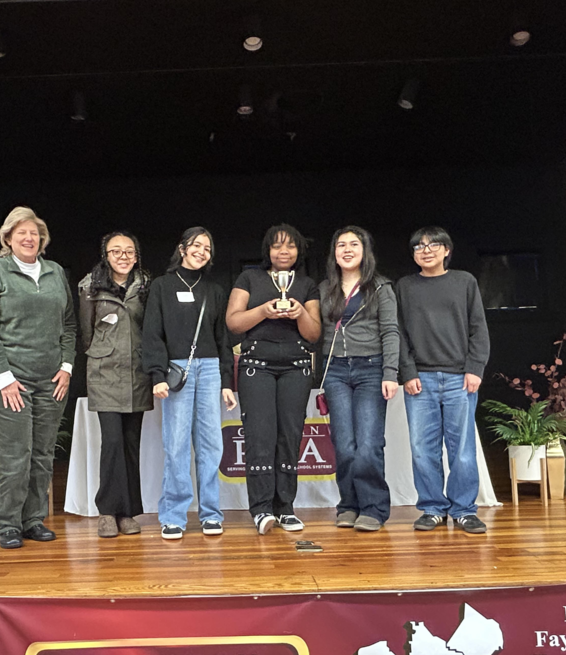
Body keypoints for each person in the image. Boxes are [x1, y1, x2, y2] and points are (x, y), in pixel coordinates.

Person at [0, 206, 76, 549]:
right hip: (2, 377)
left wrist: (67, 366)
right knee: (15, 454)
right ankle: (8, 524)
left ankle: (33, 520)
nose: (28, 238)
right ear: (8, 239)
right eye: (21, 233)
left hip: (50, 378)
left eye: (34, 233)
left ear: (41, 239)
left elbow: (70, 324)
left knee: (43, 453)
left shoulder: (55, 272)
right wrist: (4, 378)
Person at [226, 224, 322, 535]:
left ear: (299, 251)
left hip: (296, 367)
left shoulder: (307, 285)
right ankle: (261, 508)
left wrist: (300, 315)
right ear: (267, 250)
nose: (284, 252)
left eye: (290, 246)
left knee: (290, 435)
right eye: (277, 246)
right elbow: (234, 322)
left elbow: (314, 334)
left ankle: (286, 507)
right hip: (256, 366)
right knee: (259, 435)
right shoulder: (249, 278)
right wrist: (264, 311)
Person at [142, 227, 237, 540]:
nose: (202, 251)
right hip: (176, 368)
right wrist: (157, 375)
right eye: (196, 245)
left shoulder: (215, 289)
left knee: (212, 444)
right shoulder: (162, 285)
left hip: (210, 368)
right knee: (177, 443)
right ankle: (173, 515)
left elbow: (223, 339)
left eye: (207, 248)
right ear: (182, 248)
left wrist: (226, 380)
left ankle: (211, 514)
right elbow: (153, 333)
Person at [396, 226, 490, 534]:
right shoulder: (405, 286)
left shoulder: (464, 282)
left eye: (433, 245)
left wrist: (475, 368)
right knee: (423, 449)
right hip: (419, 379)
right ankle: (432, 508)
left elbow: (478, 327)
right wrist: (407, 372)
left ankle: (464, 509)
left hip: (459, 378)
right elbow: (398, 333)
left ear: (447, 250)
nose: (426, 250)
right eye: (419, 246)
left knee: (462, 449)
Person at [318, 226, 399, 532]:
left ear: (365, 251)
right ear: (334, 253)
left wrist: (390, 373)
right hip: (335, 371)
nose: (347, 249)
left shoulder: (380, 287)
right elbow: (319, 332)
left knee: (368, 445)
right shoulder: (325, 288)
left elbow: (391, 331)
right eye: (341, 245)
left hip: (371, 369)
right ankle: (348, 505)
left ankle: (374, 508)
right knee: (344, 445)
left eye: (354, 244)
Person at [79, 231, 152, 538]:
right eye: (116, 251)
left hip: (138, 373)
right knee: (111, 443)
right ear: (105, 255)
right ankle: (107, 511)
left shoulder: (147, 286)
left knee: (131, 444)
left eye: (129, 252)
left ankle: (128, 513)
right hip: (105, 373)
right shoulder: (89, 287)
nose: (123, 257)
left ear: (136, 256)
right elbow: (86, 332)